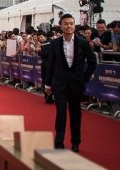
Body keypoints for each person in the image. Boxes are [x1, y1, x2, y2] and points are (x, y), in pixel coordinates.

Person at [45, 13, 97, 152]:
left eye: (71, 24)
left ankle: (75, 142)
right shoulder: (55, 43)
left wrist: (84, 78)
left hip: (76, 83)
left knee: (75, 113)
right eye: (66, 24)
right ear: (61, 26)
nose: (69, 26)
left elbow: (92, 61)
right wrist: (47, 84)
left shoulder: (83, 42)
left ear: (74, 25)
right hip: (59, 83)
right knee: (61, 112)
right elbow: (50, 64)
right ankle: (59, 142)